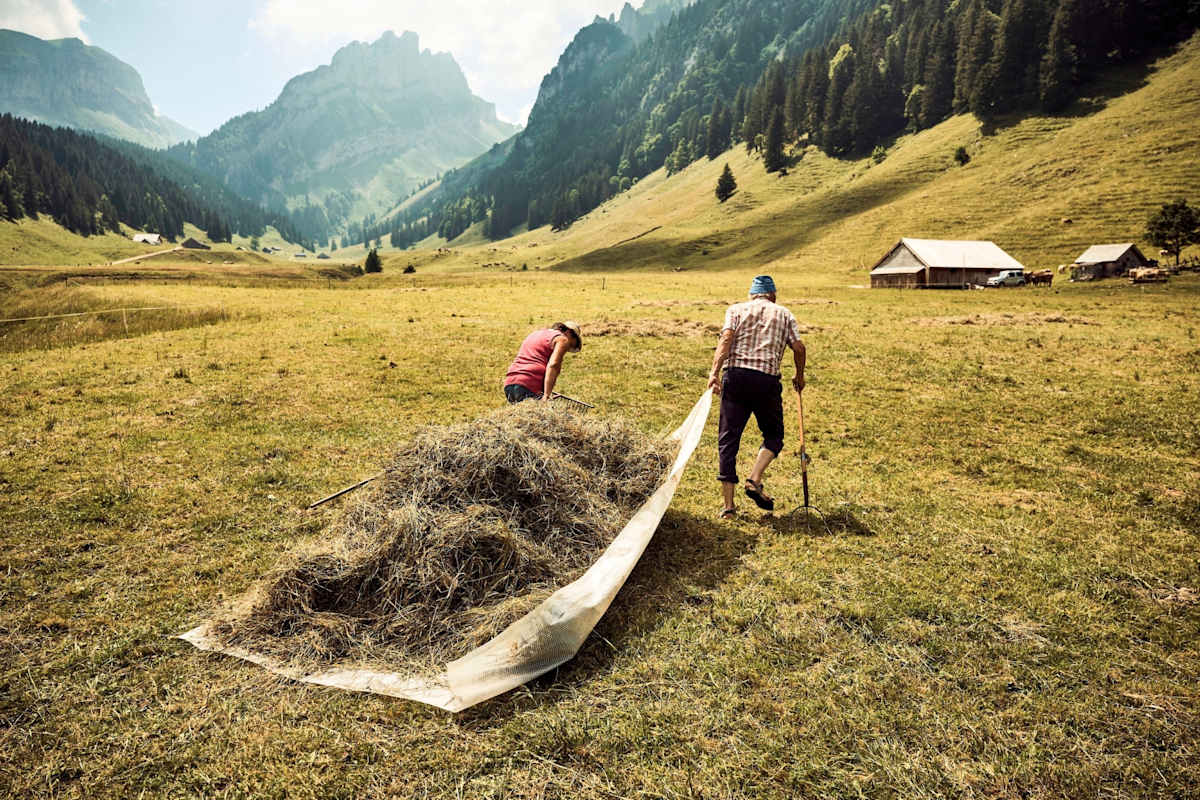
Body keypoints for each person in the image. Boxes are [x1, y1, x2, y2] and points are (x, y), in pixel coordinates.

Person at [707, 275, 805, 518]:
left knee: (728, 439)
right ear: (772, 295)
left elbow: (726, 339)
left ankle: (728, 507)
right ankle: (754, 478)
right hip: (766, 380)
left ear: (752, 294)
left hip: (736, 377)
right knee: (774, 435)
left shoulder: (736, 310)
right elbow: (799, 348)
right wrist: (799, 375)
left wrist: (714, 373)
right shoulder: (784, 314)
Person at [503, 321, 583, 404]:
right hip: (529, 384)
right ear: (569, 333)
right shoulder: (562, 339)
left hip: (510, 384)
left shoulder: (536, 334)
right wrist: (546, 396)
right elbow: (553, 365)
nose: (567, 348)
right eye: (570, 345)